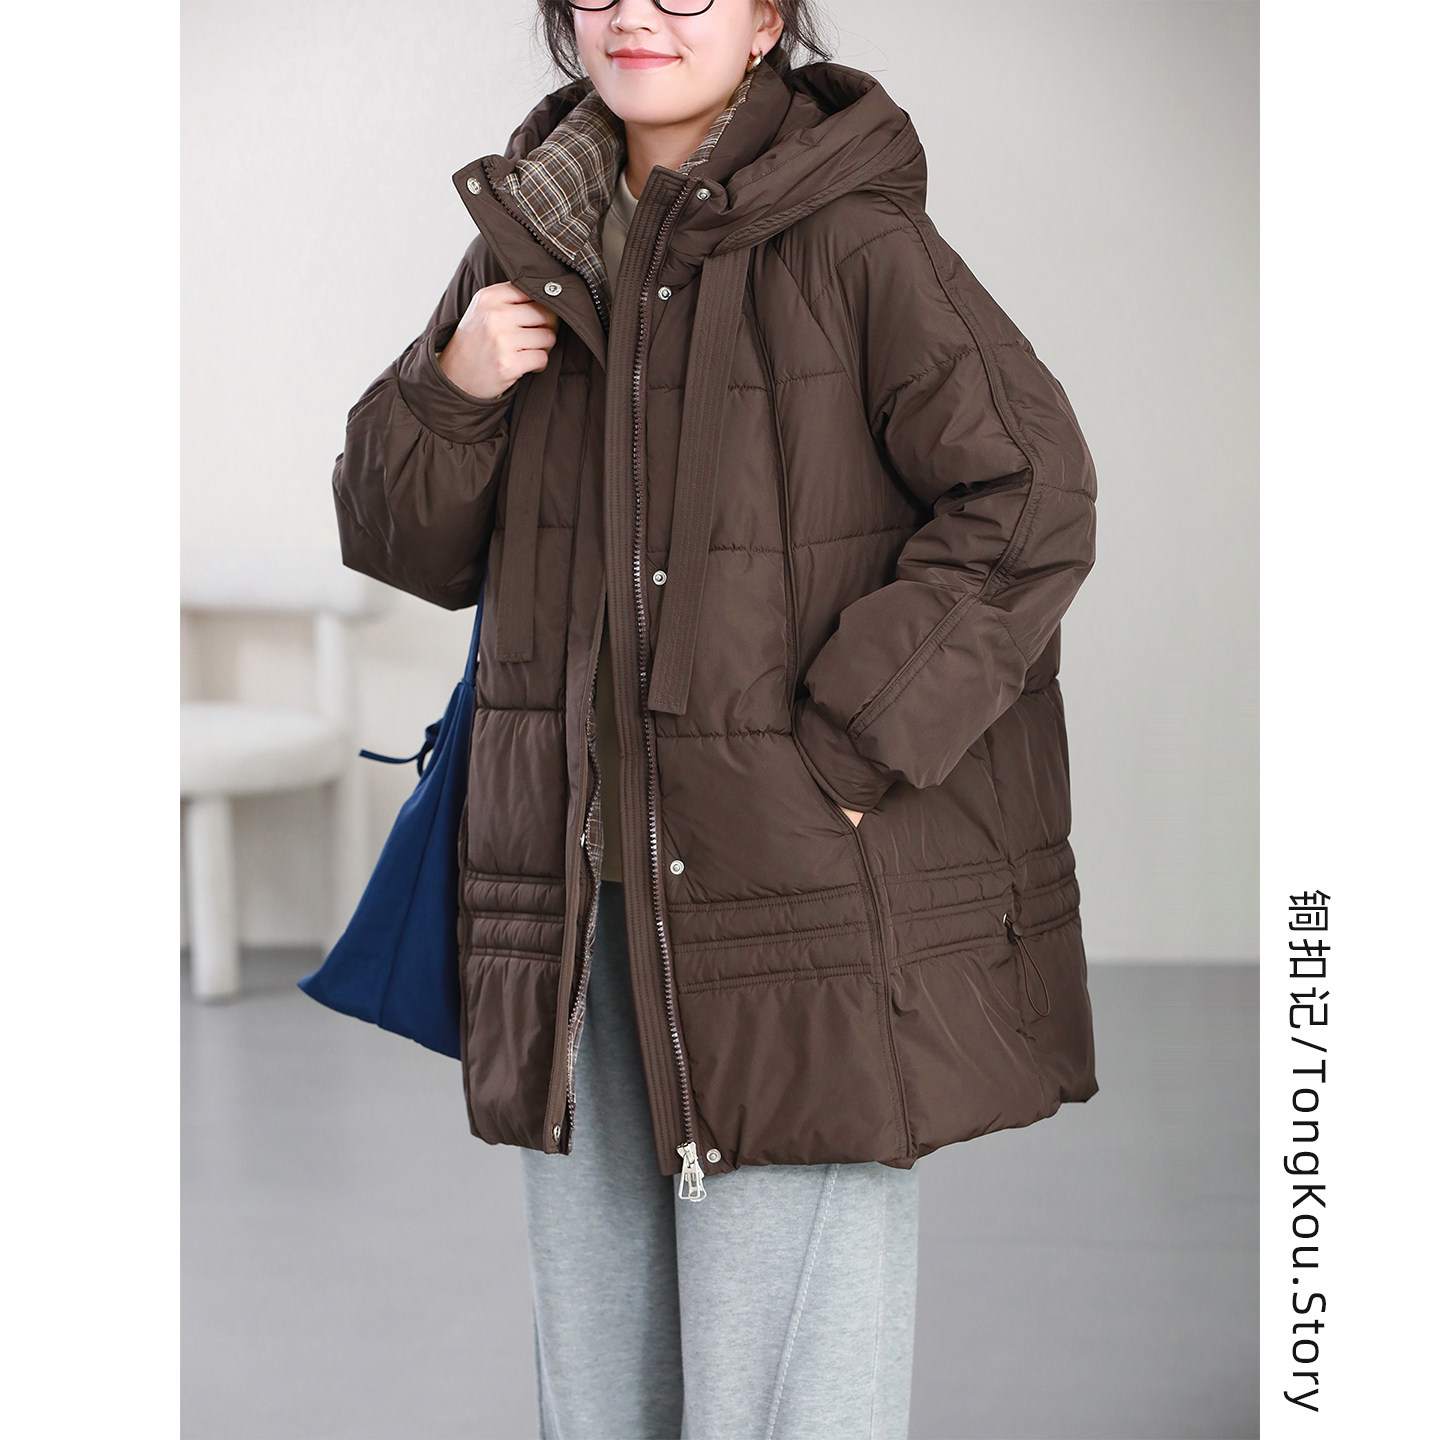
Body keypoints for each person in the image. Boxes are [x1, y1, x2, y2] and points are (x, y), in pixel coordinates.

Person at [331, 2, 1099, 1434]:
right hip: (574, 892)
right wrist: (454, 388)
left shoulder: (852, 238)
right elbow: (399, 543)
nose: (638, 14)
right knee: (599, 1376)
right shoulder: (531, 238)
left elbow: (1030, 496)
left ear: (764, 22)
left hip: (781, 889)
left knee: (790, 1385)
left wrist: (851, 748)